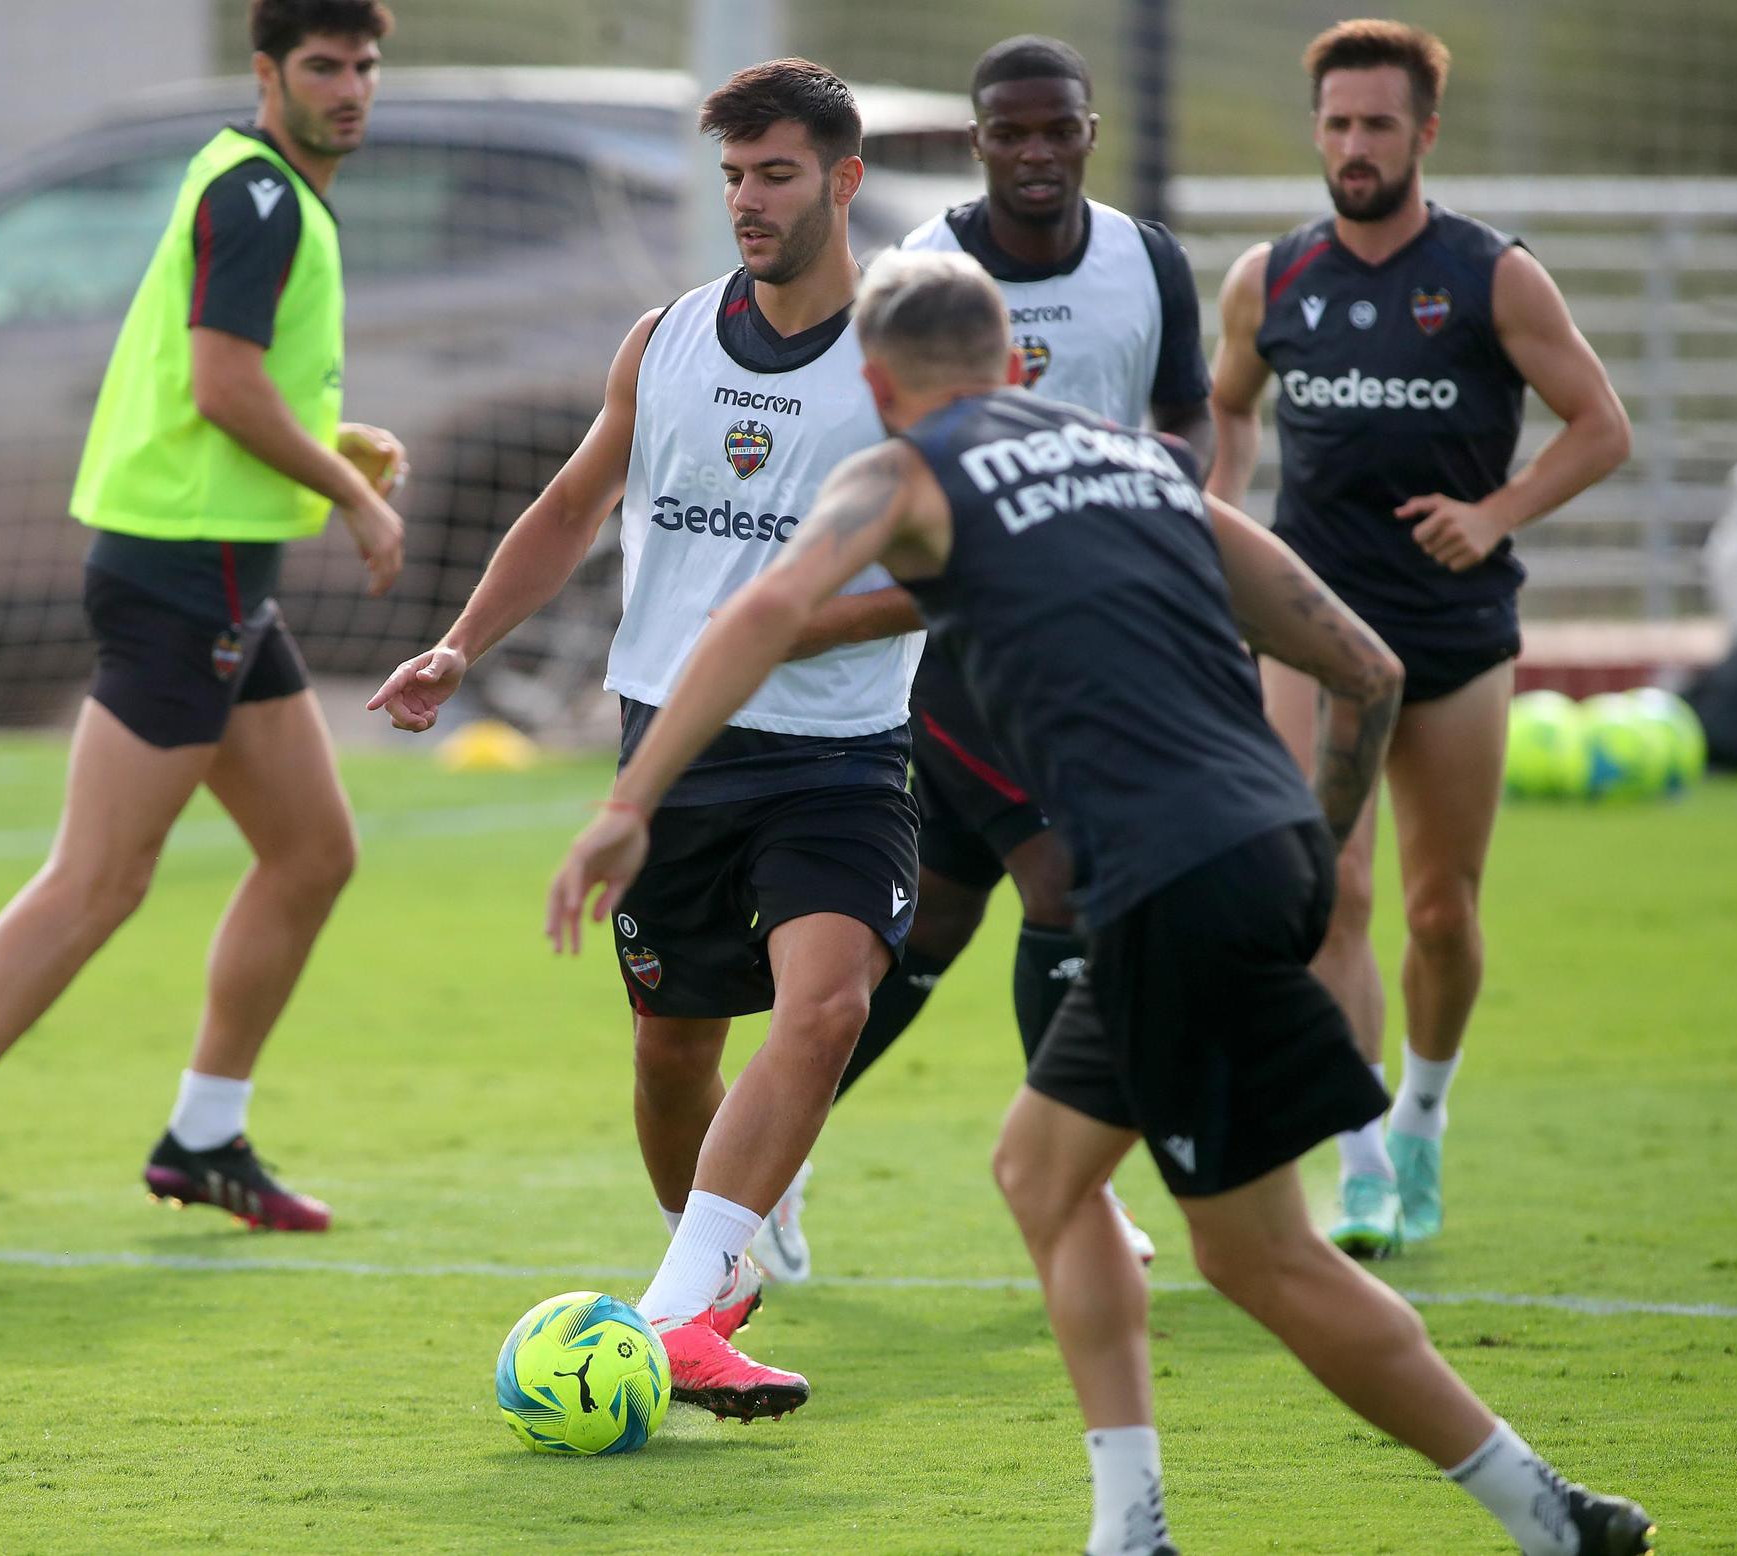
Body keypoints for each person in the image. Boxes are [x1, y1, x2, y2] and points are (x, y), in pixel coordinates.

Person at [549, 250, 1655, 1556]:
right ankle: (1137, 1528)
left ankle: (1546, 1516)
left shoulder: (905, 469)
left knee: (1266, 1260)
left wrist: (630, 802)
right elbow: (1364, 664)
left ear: (879, 380)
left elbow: (763, 610)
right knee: (1043, 1173)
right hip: (1252, 856)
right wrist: (1312, 842)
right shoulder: (1146, 468)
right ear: (1013, 361)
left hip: (1169, 875)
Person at [369, 60, 921, 1421]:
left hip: (839, 750)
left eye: (775, 174)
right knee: (673, 1050)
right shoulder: (664, 336)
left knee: (828, 1002)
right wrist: (459, 645)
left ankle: (679, 1306)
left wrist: (814, 625)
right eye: (731, 175)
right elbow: (570, 506)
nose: (747, 200)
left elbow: (960, 560)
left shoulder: (901, 362)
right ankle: (729, 1251)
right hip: (669, 747)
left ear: (842, 182)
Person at [0, 0, 409, 1257]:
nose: (350, 86)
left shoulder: (264, 189)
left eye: (366, 64)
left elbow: (235, 385)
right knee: (100, 876)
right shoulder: (259, 194)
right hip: (179, 575)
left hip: (215, 569)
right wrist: (354, 492)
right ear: (267, 73)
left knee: (313, 851)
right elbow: (219, 385)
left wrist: (332, 446)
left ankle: (203, 1138)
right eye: (324, 64)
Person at [749, 33, 1215, 1284]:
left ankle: (776, 1151)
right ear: (976, 142)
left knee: (941, 920)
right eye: (1007, 132)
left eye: (1053, 128)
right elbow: (868, 450)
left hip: (1097, 644)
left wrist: (1171, 487)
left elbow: (1187, 407)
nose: (1032, 152)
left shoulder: (1145, 260)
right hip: (961, 642)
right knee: (1061, 878)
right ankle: (1082, 1193)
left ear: (1086, 133)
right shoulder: (922, 273)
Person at [1207, 19, 1631, 1256]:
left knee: (1438, 910)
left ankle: (1423, 1122)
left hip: (1452, 637)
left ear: (1422, 133)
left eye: (1375, 124)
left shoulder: (1491, 274)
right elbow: (1227, 414)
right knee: (1326, 891)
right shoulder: (1268, 278)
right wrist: (1223, 534)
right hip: (1310, 629)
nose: (1351, 145)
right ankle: (1358, 1163)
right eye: (1333, 123)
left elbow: (1598, 424)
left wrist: (1492, 512)